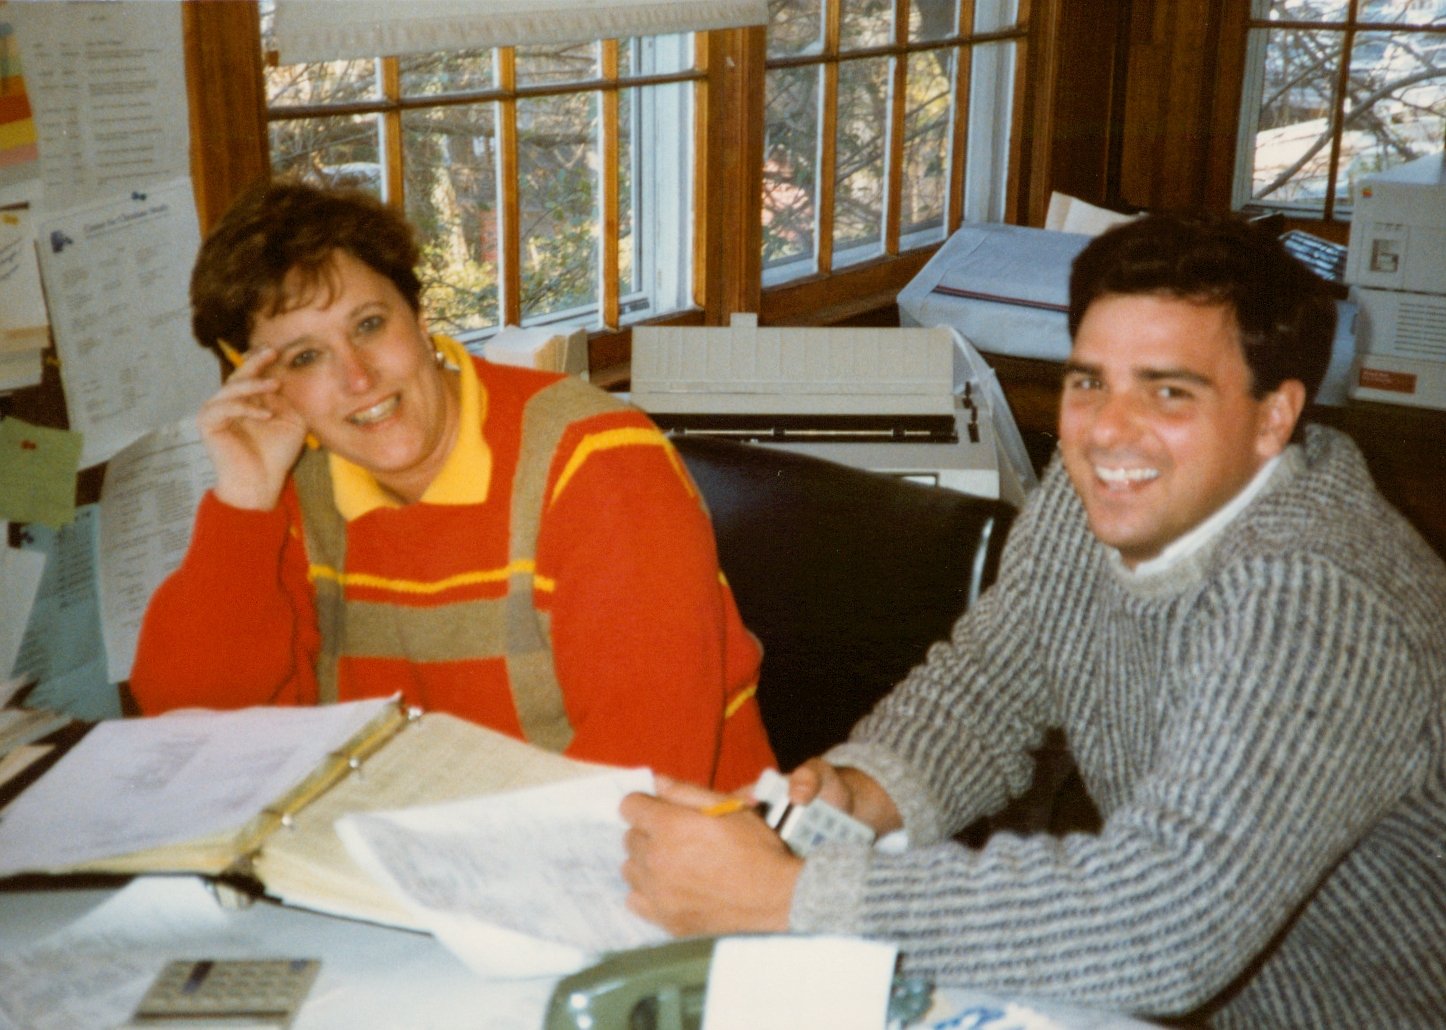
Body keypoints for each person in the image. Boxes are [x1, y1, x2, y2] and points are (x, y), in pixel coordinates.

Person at [619, 212, 1446, 1024]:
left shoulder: (1319, 595)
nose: (1105, 431)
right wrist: (868, 793)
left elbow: (1164, 924)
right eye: (1091, 381)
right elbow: (991, 691)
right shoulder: (1099, 496)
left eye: (1168, 391)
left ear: (1275, 416)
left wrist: (792, 897)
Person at [130, 179, 775, 791]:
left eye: (369, 324)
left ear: (416, 314)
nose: (358, 378)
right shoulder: (298, 491)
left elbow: (644, 777)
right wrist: (244, 501)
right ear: (264, 383)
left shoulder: (597, 464)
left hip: (669, 873)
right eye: (305, 357)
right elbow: (189, 730)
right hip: (412, 864)